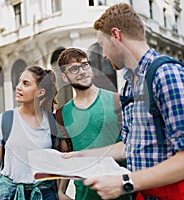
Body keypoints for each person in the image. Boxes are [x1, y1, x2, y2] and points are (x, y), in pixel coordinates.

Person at [63, 3, 184, 199]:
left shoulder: (167, 75)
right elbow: (128, 146)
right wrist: (81, 156)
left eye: (103, 45)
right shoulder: (130, 85)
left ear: (116, 35)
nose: (103, 55)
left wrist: (126, 183)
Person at [55, 48, 125, 200]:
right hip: (85, 195)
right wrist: (61, 191)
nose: (82, 71)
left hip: (121, 193)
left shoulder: (117, 101)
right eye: (74, 69)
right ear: (65, 77)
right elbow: (67, 155)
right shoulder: (62, 114)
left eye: (85, 65)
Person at [0, 65, 58, 200]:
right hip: (10, 194)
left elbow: (59, 164)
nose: (18, 87)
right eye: (19, 82)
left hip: (44, 193)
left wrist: (60, 192)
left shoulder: (52, 123)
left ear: (40, 92)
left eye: (25, 83)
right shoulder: (5, 120)